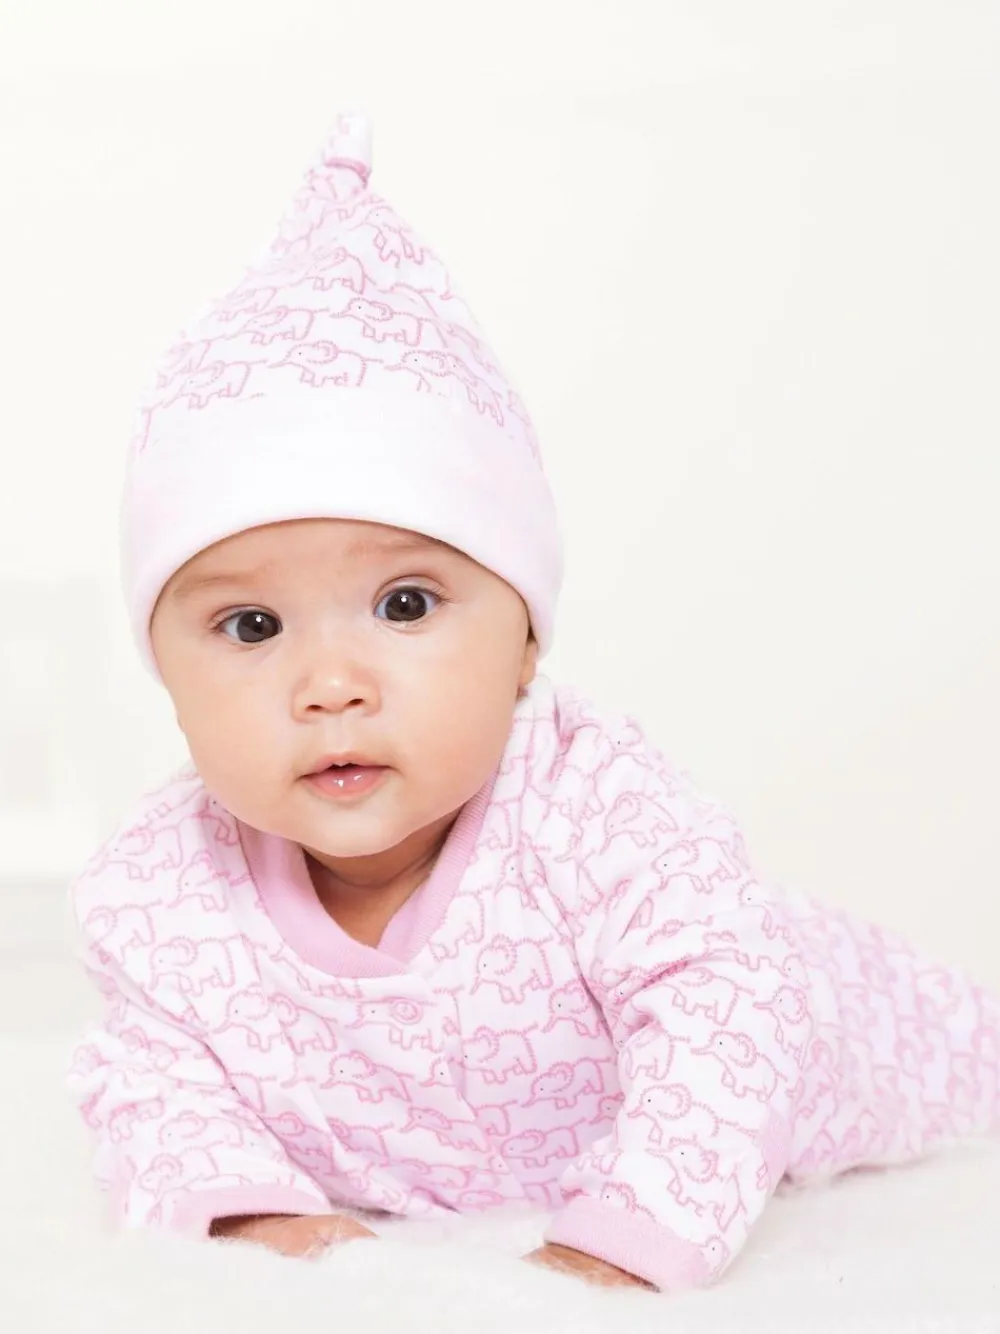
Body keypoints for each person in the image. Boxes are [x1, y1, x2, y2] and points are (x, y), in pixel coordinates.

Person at [66, 110, 1000, 1294]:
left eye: (405, 604)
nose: (331, 684)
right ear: (165, 672)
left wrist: (619, 1238)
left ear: (524, 644)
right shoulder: (162, 890)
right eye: (250, 626)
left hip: (832, 1025)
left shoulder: (594, 807)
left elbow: (729, 1014)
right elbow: (152, 1084)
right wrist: (256, 1215)